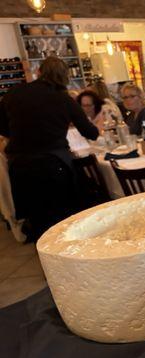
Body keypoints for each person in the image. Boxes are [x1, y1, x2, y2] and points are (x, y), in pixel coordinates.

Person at [0, 56, 99, 241]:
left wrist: (18, 134)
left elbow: (2, 126)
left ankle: (44, 254)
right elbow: (90, 132)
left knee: (37, 217)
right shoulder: (63, 98)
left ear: (39, 72)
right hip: (52, 165)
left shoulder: (14, 93)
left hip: (20, 165)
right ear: (65, 77)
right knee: (60, 218)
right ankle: (62, 260)